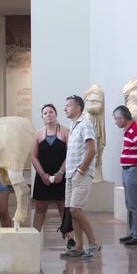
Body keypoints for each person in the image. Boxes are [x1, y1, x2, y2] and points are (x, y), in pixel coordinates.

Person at [62, 95, 101, 259]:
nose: (65, 108)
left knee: (76, 210)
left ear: (78, 108)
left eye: (68, 106)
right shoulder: (73, 126)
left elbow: (91, 150)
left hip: (80, 174)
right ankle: (78, 246)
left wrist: (81, 171)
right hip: (71, 175)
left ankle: (94, 243)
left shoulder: (85, 124)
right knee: (72, 212)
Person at [31, 104, 72, 242]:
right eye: (45, 113)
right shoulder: (38, 134)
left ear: (56, 114)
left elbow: (70, 155)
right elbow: (33, 156)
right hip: (42, 176)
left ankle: (71, 241)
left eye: (51, 112)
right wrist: (42, 174)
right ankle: (34, 240)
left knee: (63, 208)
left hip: (62, 175)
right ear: (42, 117)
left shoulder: (66, 132)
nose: (48, 114)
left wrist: (61, 172)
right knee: (40, 208)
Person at [113, 105, 137, 246]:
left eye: (116, 119)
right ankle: (134, 233)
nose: (115, 122)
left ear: (122, 118)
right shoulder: (128, 131)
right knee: (130, 203)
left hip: (134, 170)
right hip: (129, 170)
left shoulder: (135, 130)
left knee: (136, 204)